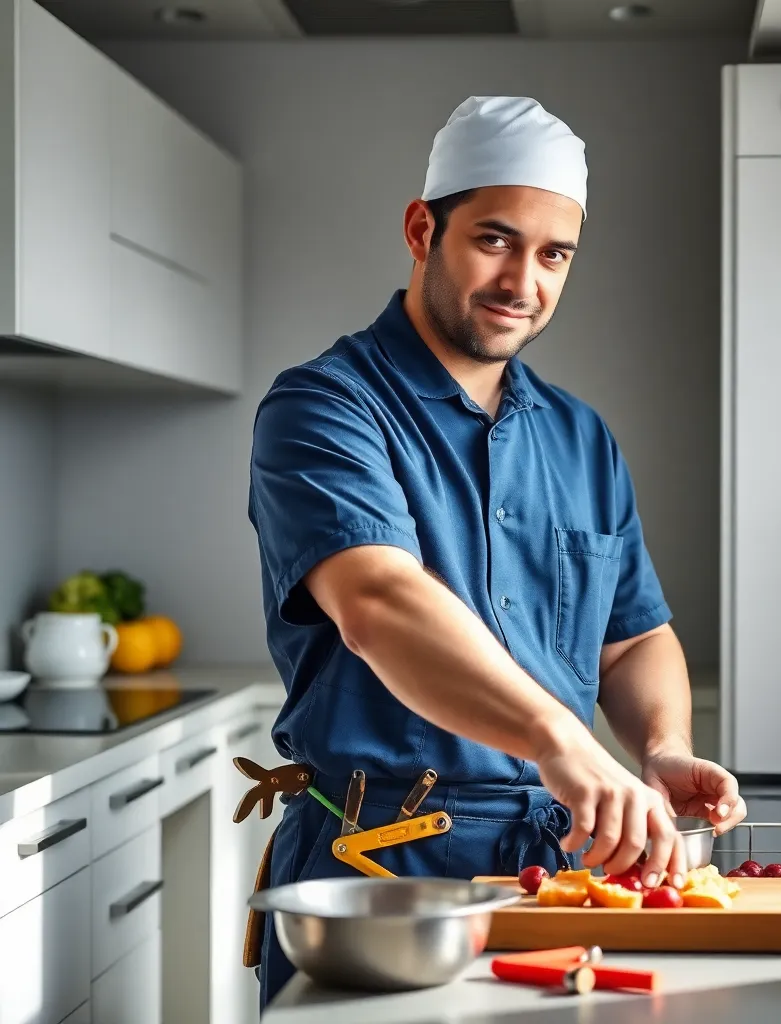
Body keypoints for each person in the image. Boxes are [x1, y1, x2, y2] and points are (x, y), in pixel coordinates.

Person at [248, 95, 747, 1009]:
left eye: (554, 255)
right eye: (494, 240)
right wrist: (560, 737)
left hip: (560, 868)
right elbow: (380, 603)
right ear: (422, 230)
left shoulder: (581, 437)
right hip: (384, 875)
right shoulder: (324, 407)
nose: (523, 280)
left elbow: (634, 638)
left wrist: (662, 747)